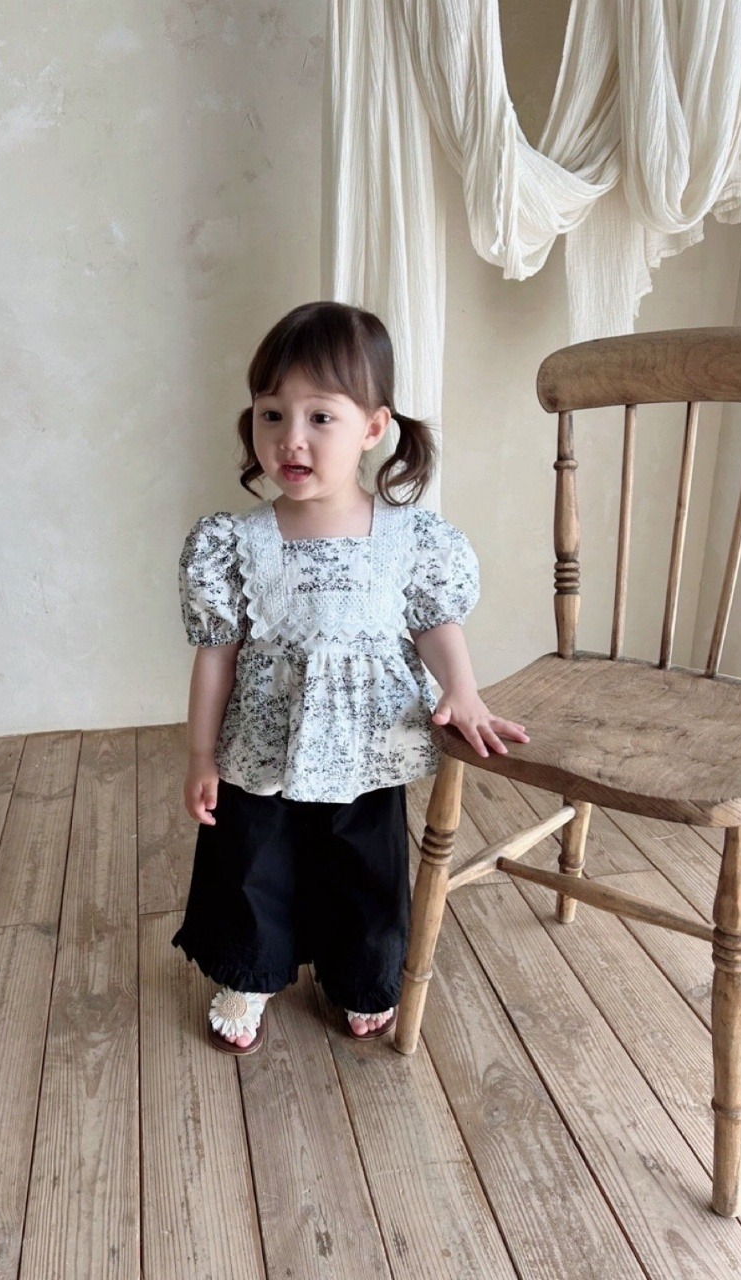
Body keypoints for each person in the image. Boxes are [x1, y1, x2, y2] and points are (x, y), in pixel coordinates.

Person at [172, 300, 528, 1056]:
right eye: (272, 414)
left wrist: (462, 689)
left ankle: (363, 976)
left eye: (320, 417)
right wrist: (201, 754)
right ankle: (252, 972)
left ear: (373, 427)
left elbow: (434, 622)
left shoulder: (408, 538)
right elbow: (216, 653)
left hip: (369, 744)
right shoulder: (235, 541)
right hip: (262, 748)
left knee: (366, 868)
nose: (290, 438)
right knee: (252, 862)